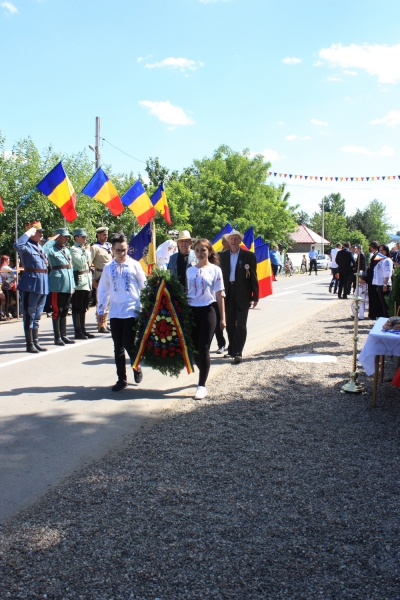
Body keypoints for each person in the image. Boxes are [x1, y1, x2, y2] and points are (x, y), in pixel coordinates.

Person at [97, 231, 147, 391]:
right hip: (115, 311)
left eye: (124, 250)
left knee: (128, 342)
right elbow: (104, 289)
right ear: (112, 249)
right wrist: (101, 309)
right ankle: (121, 379)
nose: (121, 253)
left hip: (132, 309)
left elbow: (143, 285)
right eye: (118, 250)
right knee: (117, 345)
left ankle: (136, 365)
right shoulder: (108, 267)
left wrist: (147, 306)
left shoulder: (134, 265)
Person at [186, 239, 225, 400]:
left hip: (208, 310)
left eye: (203, 250)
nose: (200, 253)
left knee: (203, 347)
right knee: (194, 349)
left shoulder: (215, 270)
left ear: (209, 252)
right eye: (197, 250)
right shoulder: (190, 271)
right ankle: (204, 371)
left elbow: (219, 294)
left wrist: (223, 318)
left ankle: (201, 386)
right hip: (192, 311)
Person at [219, 229, 259, 363]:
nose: (234, 241)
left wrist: (255, 296)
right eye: (231, 239)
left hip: (243, 294)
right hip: (227, 293)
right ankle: (231, 349)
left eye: (236, 239)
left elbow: (253, 276)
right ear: (228, 241)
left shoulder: (249, 256)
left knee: (241, 324)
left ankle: (238, 352)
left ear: (240, 241)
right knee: (230, 324)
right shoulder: (222, 256)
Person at [14, 222, 49, 353]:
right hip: (31, 285)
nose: (41, 234)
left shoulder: (40, 247)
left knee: (38, 316)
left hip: (43, 284)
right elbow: (17, 245)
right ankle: (29, 344)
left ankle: (36, 341)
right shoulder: (26, 246)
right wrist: (28, 233)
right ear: (32, 233)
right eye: (38, 232)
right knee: (29, 315)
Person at [43, 228, 75, 346]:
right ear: (58, 237)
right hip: (57, 285)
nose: (67, 238)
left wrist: (73, 285)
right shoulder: (51, 249)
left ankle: (64, 335)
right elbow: (43, 251)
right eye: (64, 236)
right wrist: (51, 240)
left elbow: (69, 268)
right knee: (57, 311)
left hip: (67, 284)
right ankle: (57, 338)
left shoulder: (66, 250)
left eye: (67, 236)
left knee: (65, 310)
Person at [70, 228, 94, 340]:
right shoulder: (74, 249)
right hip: (79, 281)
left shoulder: (84, 250)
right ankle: (77, 331)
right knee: (77, 307)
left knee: (84, 307)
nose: (84, 239)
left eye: (85, 237)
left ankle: (83, 329)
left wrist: (86, 251)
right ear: (76, 237)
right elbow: (81, 262)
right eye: (82, 237)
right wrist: (87, 252)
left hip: (87, 280)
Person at [91, 227, 113, 333]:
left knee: (108, 301)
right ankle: (100, 325)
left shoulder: (109, 246)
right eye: (104, 234)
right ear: (98, 235)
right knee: (101, 300)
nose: (106, 236)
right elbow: (89, 264)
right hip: (100, 276)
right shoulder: (94, 247)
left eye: (107, 234)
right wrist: (92, 279)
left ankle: (105, 323)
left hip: (109, 276)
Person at [372, 244, 393, 319]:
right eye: (380, 250)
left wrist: (385, 284)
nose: (381, 252)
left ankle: (386, 319)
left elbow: (387, 273)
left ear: (386, 251)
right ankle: (384, 319)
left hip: (385, 284)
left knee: (385, 304)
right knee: (382, 304)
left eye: (383, 250)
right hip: (380, 284)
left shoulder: (387, 260)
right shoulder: (381, 260)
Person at [365, 241, 380, 319]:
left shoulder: (377, 255)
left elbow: (373, 269)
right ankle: (372, 313)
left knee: (374, 297)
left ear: (372, 246)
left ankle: (374, 314)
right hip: (372, 279)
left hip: (373, 280)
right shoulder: (375, 255)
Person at [0, 255, 16, 320]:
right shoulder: (5, 268)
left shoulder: (3, 267)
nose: (9, 261)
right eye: (8, 259)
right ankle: (7, 314)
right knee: (8, 300)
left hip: (6, 284)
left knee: (8, 300)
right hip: (7, 285)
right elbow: (13, 275)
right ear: (5, 260)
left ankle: (7, 313)